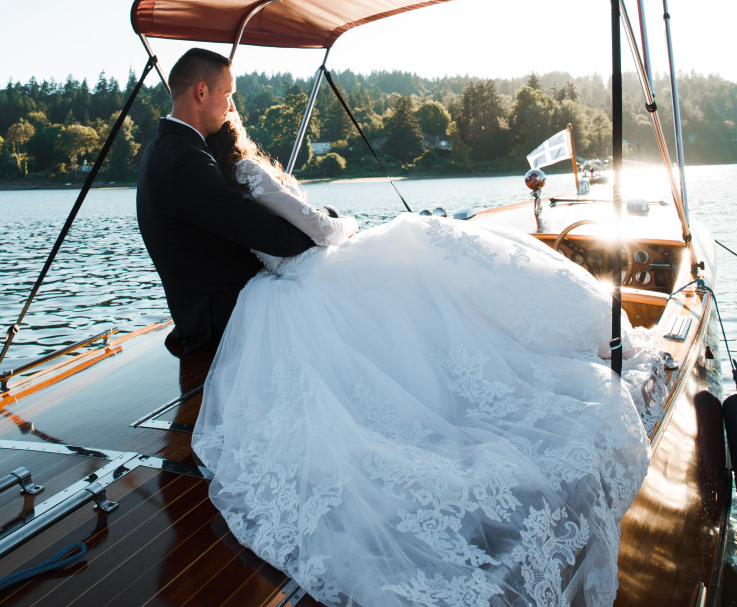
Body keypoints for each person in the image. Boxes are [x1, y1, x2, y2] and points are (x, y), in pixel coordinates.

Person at [193, 118, 665, 607]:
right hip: (319, 269)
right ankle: (575, 328)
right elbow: (317, 228)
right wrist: (348, 224)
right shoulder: (249, 171)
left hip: (280, 290)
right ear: (234, 135)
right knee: (420, 243)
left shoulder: (219, 190)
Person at [136, 47, 322, 355]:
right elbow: (275, 238)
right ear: (202, 91)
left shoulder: (165, 148)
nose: (232, 107)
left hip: (206, 308)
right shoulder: (185, 161)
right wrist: (320, 225)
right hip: (222, 320)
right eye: (228, 94)